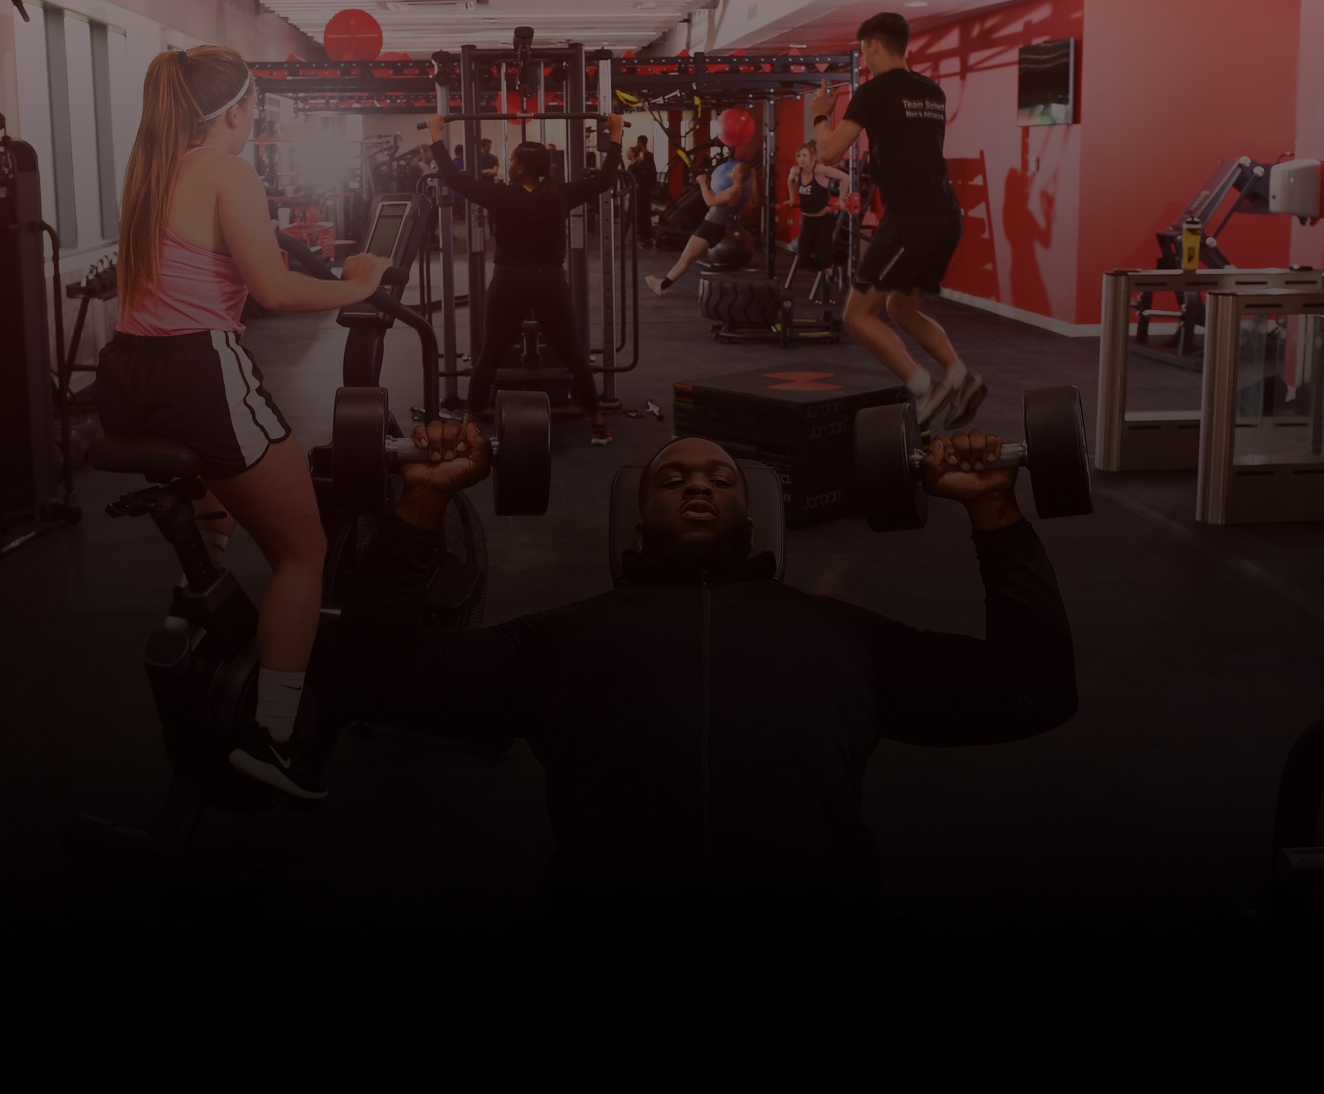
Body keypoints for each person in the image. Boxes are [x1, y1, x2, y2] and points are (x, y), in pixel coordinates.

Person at [337, 419, 1077, 928]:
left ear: (752, 528)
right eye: (675, 479)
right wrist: (424, 496)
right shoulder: (558, 641)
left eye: (721, 479)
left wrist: (994, 511)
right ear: (637, 528)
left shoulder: (847, 639)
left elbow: (1031, 691)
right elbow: (378, 674)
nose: (699, 486)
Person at [103, 45, 390, 801]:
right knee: (303, 553)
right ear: (233, 110)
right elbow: (274, 291)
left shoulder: (149, 171)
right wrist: (358, 285)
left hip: (128, 375)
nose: (254, 115)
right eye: (253, 104)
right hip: (199, 373)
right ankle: (274, 735)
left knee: (217, 507)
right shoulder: (228, 172)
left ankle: (195, 629)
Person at [811, 11, 987, 429]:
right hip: (946, 216)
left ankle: (925, 388)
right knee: (901, 307)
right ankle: (961, 379)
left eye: (863, 51)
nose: (864, 58)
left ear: (873, 46)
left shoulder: (873, 92)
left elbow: (829, 153)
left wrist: (820, 115)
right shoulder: (932, 91)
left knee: (858, 315)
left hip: (910, 220)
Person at [425, 113, 621, 445]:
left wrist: (435, 133)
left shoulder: (501, 195)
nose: (511, 163)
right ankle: (598, 424)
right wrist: (615, 133)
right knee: (574, 354)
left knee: (490, 354)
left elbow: (453, 179)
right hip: (549, 281)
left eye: (514, 160)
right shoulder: (561, 194)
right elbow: (605, 179)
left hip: (509, 281)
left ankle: (469, 425)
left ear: (520, 168)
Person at [645, 163, 746, 295]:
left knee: (686, 258)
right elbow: (714, 199)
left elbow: (710, 201)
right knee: (685, 257)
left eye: (735, 169)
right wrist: (706, 185)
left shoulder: (734, 191)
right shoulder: (733, 189)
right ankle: (663, 284)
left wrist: (702, 183)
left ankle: (662, 286)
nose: (731, 170)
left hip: (711, 227)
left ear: (740, 175)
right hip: (711, 225)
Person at [780, 140, 852, 279]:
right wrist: (792, 198)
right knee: (803, 260)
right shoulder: (796, 171)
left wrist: (841, 200)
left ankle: (828, 272)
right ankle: (829, 273)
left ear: (813, 158)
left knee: (825, 260)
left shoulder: (820, 170)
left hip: (823, 220)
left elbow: (846, 178)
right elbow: (790, 181)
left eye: (805, 155)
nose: (801, 159)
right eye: (799, 155)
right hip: (807, 221)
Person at [627, 136, 659, 248]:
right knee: (640, 214)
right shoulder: (643, 157)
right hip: (642, 190)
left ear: (640, 143)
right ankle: (641, 237)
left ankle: (645, 238)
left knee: (643, 214)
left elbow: (649, 173)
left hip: (643, 191)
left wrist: (642, 185)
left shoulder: (646, 157)